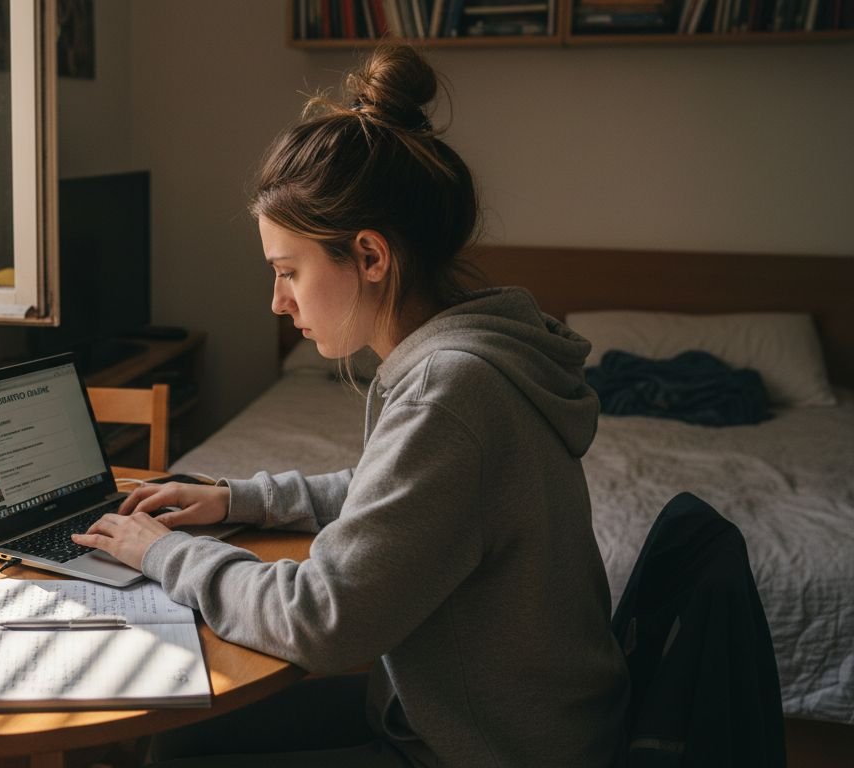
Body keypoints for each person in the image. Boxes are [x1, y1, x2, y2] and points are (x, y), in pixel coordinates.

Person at [72, 45, 628, 768]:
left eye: (288, 272)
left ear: (369, 257)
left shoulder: (451, 393)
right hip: (477, 713)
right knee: (175, 735)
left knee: (176, 753)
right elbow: (393, 495)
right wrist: (234, 499)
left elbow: (322, 619)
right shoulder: (472, 356)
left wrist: (164, 552)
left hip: (486, 747)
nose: (277, 302)